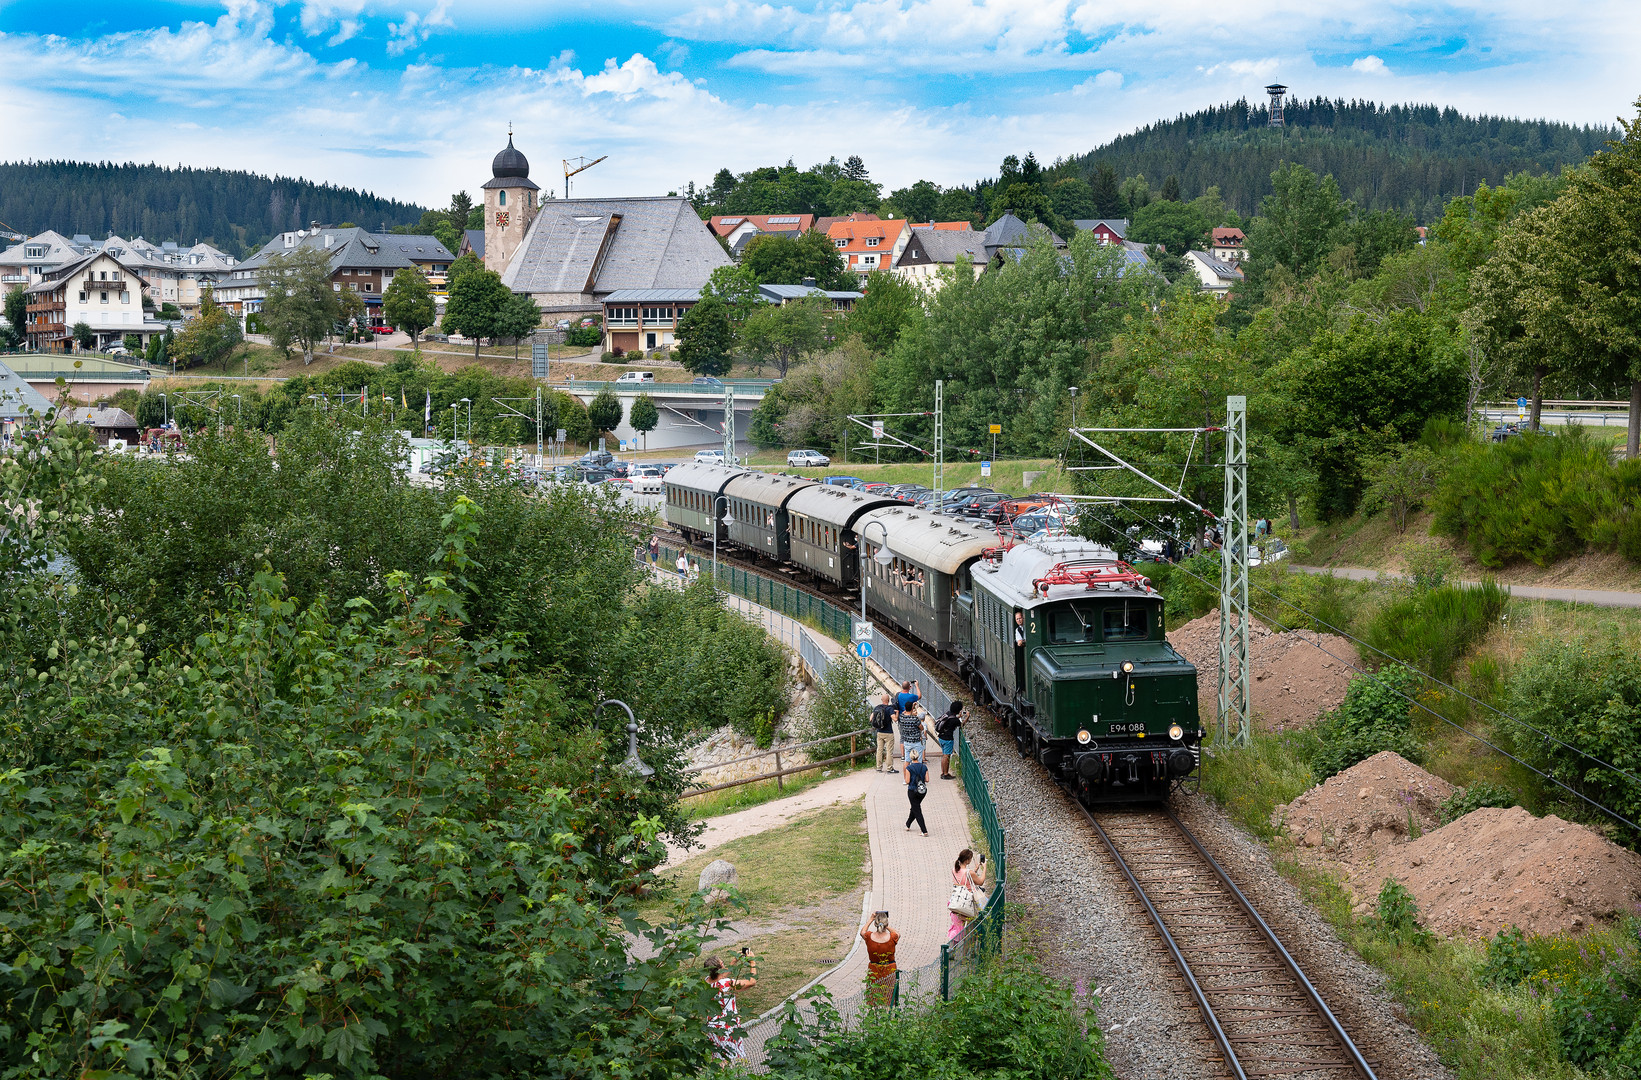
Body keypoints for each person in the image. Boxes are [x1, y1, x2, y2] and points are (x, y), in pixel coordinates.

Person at [704, 949, 757, 1064]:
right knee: (726, 1061)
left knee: (717, 1058)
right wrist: (752, 962)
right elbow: (752, 982)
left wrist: (734, 961)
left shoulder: (706, 982)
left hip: (712, 1026)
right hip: (727, 1027)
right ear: (720, 968)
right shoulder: (727, 984)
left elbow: (720, 976)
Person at [861, 911, 899, 1008]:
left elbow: (862, 932)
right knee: (889, 994)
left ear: (875, 924)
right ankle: (889, 1015)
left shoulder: (869, 936)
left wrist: (870, 919)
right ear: (887, 924)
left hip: (874, 969)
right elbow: (897, 933)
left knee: (873, 995)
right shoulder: (892, 937)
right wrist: (886, 926)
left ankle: (874, 1016)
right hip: (889, 968)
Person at [949, 849, 984, 942]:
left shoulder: (954, 870)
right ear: (968, 860)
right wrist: (985, 868)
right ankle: (968, 946)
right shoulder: (969, 872)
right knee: (974, 920)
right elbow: (980, 882)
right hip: (967, 902)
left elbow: (964, 877)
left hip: (957, 900)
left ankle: (953, 947)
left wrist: (975, 870)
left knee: (957, 926)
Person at [933, 700, 964, 779]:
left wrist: (958, 717)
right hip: (948, 739)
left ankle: (943, 772)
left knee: (944, 755)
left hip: (941, 737)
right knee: (946, 756)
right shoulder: (955, 720)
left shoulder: (948, 713)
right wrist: (967, 717)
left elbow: (951, 719)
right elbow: (961, 724)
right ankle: (946, 774)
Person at [903, 747, 930, 836]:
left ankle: (924, 830)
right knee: (915, 807)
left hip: (912, 791)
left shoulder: (909, 768)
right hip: (922, 791)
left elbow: (907, 781)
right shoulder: (924, 767)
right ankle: (908, 824)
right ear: (918, 756)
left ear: (910, 757)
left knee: (917, 810)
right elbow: (927, 780)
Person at [871, 693, 897, 772]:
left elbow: (871, 718)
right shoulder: (890, 709)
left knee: (879, 750)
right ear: (888, 700)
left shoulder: (877, 708)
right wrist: (897, 713)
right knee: (889, 751)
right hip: (888, 732)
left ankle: (879, 767)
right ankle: (889, 768)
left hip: (879, 732)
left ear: (882, 700)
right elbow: (895, 719)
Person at [897, 699, 926, 765]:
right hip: (916, 741)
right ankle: (917, 774)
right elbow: (921, 728)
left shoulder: (901, 717)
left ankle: (906, 774)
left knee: (907, 761)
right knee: (918, 760)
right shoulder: (915, 719)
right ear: (912, 709)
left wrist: (910, 707)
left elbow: (904, 713)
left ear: (905, 708)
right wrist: (913, 707)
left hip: (907, 741)